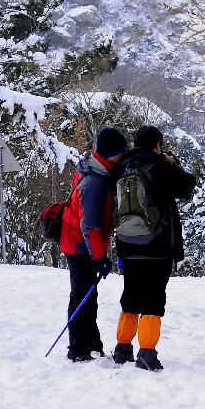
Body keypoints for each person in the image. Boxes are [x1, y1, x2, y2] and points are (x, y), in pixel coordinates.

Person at [112, 125, 197, 371]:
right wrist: (173, 163)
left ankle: (122, 347)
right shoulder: (161, 168)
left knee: (130, 296)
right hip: (157, 245)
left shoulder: (120, 169)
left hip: (127, 244)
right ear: (157, 145)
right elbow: (188, 185)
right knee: (153, 299)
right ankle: (147, 352)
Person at [59, 126, 128, 361]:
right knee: (82, 296)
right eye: (121, 152)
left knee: (89, 295)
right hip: (80, 246)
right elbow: (90, 226)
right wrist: (99, 258)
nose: (123, 156)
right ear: (111, 153)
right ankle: (77, 349)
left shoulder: (94, 169)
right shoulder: (95, 183)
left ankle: (91, 342)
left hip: (81, 243)